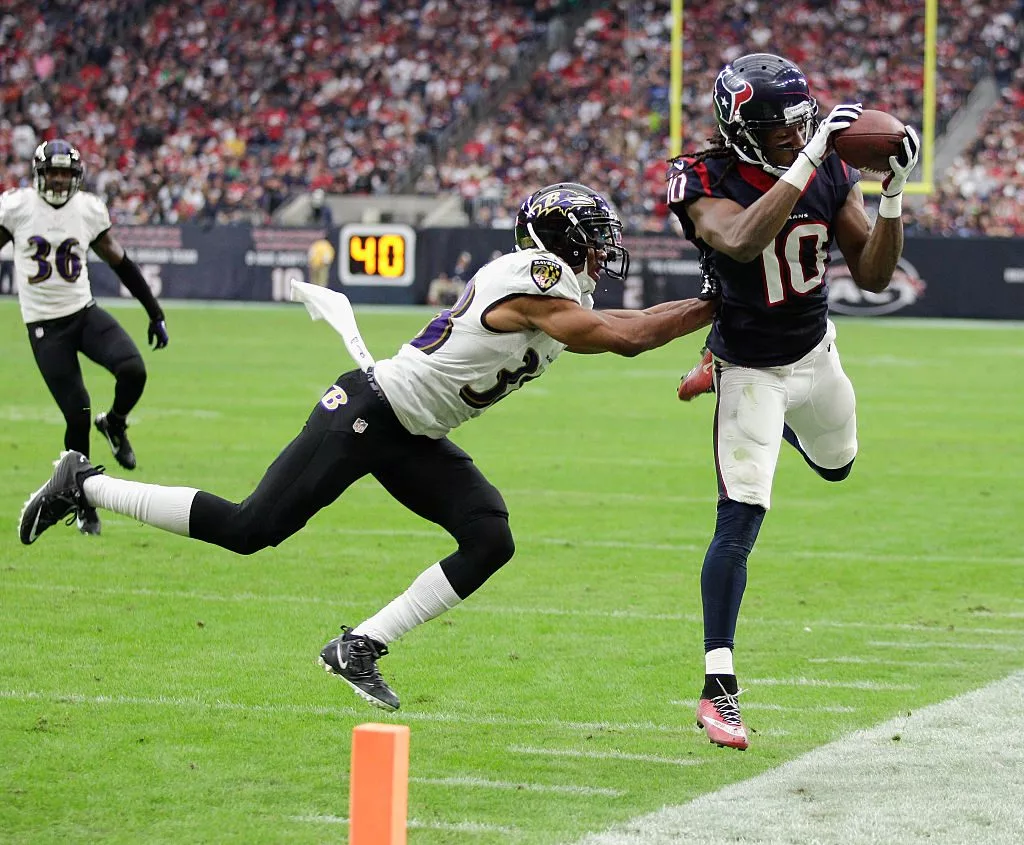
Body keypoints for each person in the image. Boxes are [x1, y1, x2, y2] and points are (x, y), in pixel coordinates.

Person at [19, 182, 716, 711]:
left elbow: (619, 324)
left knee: (488, 535)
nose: (603, 251)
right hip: (371, 411)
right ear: (559, 243)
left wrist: (713, 302)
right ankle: (83, 482)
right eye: (593, 237)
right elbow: (625, 338)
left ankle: (359, 646)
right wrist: (718, 302)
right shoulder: (532, 282)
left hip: (414, 430)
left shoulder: (552, 287)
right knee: (249, 527)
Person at [666, 53, 920, 750]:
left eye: (801, 122)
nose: (797, 132)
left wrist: (892, 192)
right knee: (740, 516)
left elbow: (872, 274)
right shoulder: (700, 176)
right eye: (780, 126)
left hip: (816, 352)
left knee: (838, 464)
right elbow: (743, 240)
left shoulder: (832, 168)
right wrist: (806, 157)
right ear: (740, 125)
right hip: (750, 367)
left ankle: (779, 425)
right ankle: (718, 686)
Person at [1, 139, 169, 537]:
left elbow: (119, 260)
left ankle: (114, 423)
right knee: (76, 412)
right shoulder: (18, 207)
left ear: (76, 176)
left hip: (83, 312)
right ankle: (84, 504)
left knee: (133, 369)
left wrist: (154, 311)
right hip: (45, 324)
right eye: (53, 172)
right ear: (39, 174)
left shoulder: (88, 209)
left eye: (65, 173)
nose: (59, 180)